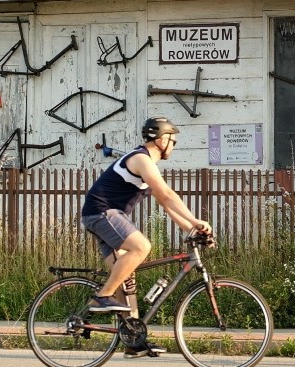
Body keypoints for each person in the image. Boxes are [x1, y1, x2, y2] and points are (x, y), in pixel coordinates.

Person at [81, 117, 212, 358]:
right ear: (162, 140)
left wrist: (191, 230)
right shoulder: (141, 159)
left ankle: (133, 341)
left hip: (104, 215)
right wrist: (195, 220)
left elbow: (165, 203)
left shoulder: (146, 164)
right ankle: (101, 298)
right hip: (102, 212)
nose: (173, 145)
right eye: (173, 140)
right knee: (141, 246)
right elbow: (167, 193)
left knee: (126, 281)